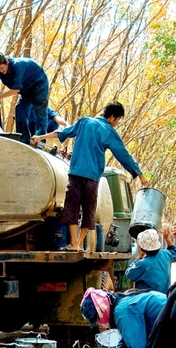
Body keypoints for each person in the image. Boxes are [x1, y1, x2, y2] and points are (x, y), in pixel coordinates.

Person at [32, 101, 147, 252]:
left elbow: (64, 132)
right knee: (89, 210)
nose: (116, 124)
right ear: (112, 117)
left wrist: (40, 137)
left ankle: (73, 243)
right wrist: (140, 174)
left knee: (71, 208)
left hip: (76, 173)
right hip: (92, 177)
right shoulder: (109, 132)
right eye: (117, 120)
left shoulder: (85, 121)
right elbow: (123, 155)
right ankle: (79, 243)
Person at [76, 287, 167, 348]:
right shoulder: (122, 303)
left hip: (175, 322)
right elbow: (126, 340)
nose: (99, 325)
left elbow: (135, 347)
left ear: (101, 311)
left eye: (97, 321)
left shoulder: (122, 310)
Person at [0, 53, 50, 145]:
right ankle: (23, 139)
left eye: (2, 68)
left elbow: (15, 90)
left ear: (7, 62)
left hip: (39, 86)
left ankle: (40, 142)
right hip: (26, 90)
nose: (1, 71)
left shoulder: (18, 66)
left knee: (40, 112)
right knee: (20, 109)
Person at [124, 226, 176, 294]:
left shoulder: (143, 264)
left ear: (141, 248)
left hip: (148, 301)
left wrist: (138, 257)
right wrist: (167, 238)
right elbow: (175, 253)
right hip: (164, 299)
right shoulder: (166, 254)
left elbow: (129, 274)